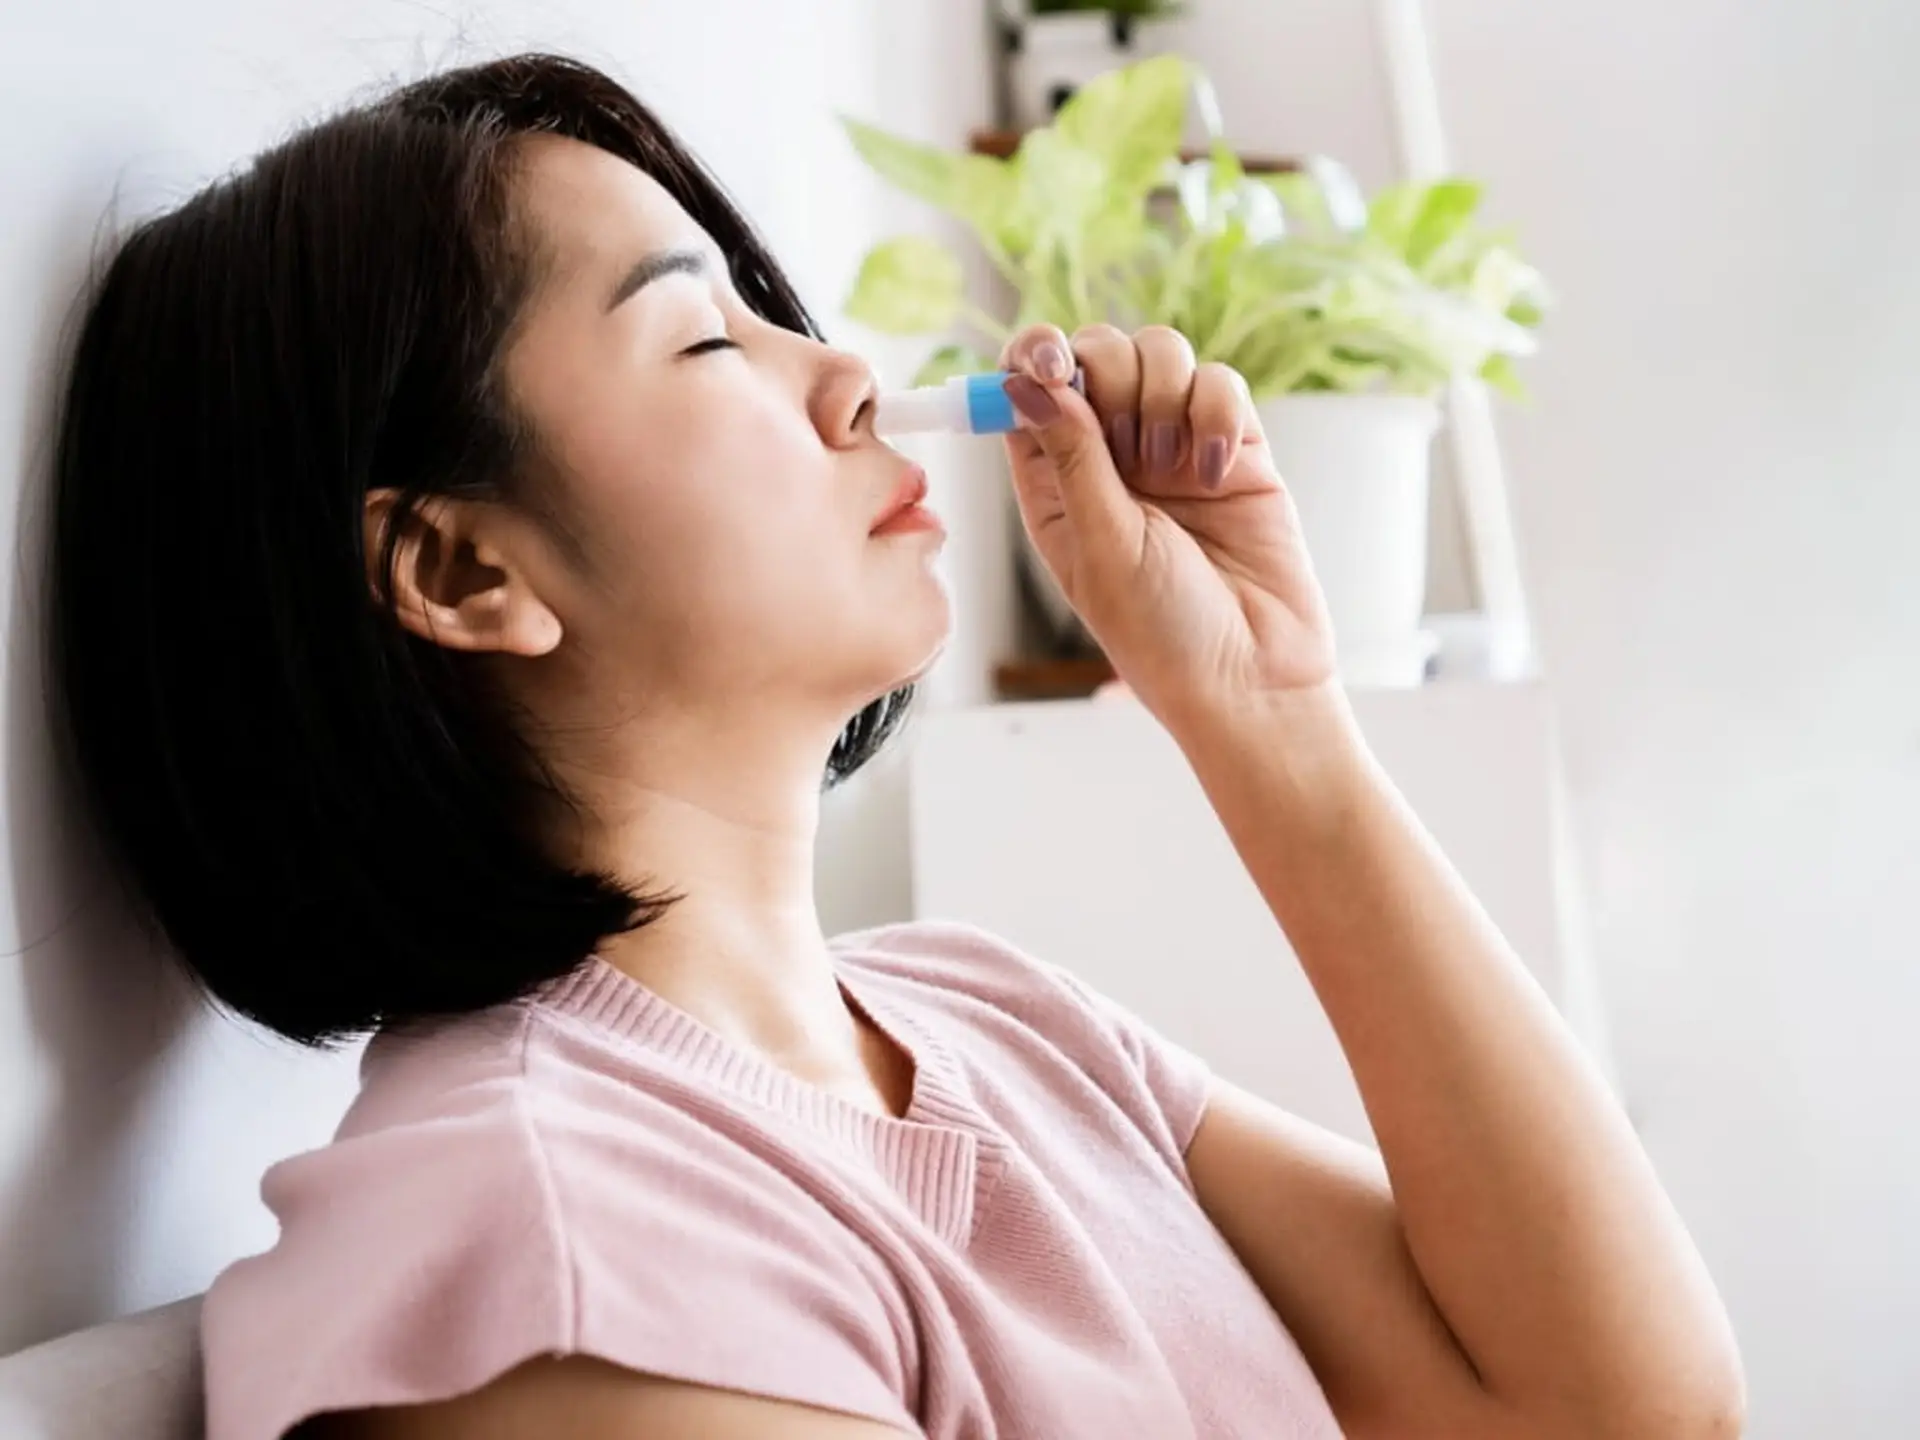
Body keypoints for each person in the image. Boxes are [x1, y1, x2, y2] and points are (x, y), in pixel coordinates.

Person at [47, 51, 1744, 1440]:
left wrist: (1273, 724)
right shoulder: (549, 1239)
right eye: (705, 335)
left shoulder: (1002, 1025)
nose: (847, 379)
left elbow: (1618, 1408)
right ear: (461, 566)